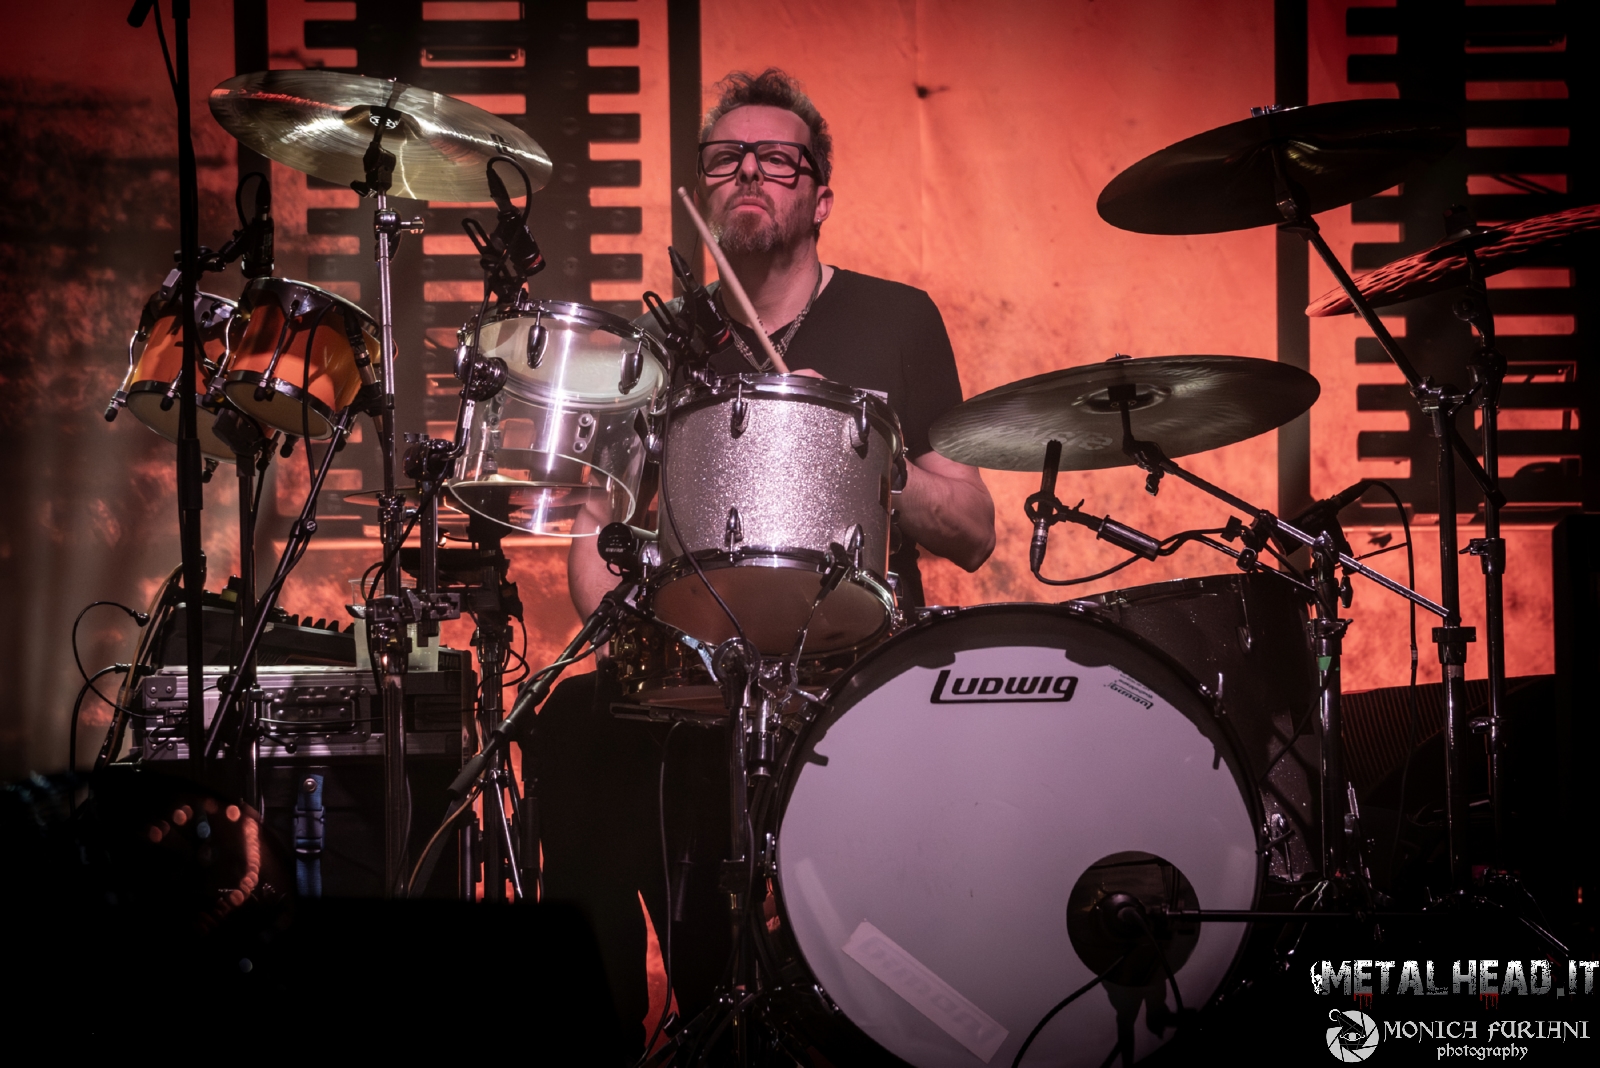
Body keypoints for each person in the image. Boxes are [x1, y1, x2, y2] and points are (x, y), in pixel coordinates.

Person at [532, 68, 995, 1053]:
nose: (749, 171)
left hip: (857, 666)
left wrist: (859, 450)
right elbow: (594, 531)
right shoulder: (660, 340)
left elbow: (972, 527)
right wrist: (641, 650)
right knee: (571, 729)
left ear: (819, 196)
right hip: (705, 673)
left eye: (778, 160)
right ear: (703, 194)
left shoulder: (897, 319)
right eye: (726, 158)